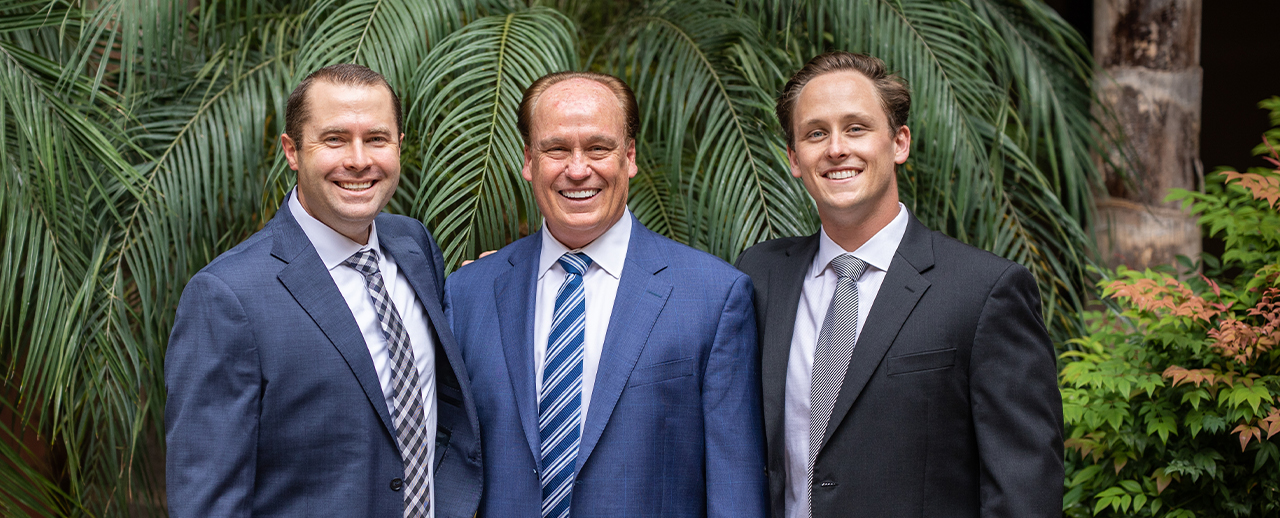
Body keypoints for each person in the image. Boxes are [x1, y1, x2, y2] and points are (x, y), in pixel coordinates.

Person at [735, 51, 1064, 517]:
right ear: (794, 158)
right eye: (815, 133)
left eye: (856, 128)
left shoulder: (985, 291)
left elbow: (1024, 490)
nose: (835, 148)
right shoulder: (760, 276)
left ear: (899, 143)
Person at [164, 63, 482, 517]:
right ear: (292, 151)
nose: (358, 160)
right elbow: (208, 502)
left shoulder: (415, 246)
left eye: (376, 138)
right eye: (334, 139)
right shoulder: (226, 297)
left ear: (398, 147)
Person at [444, 71, 767, 517]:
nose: (578, 169)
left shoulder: (714, 296)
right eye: (556, 149)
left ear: (629, 156)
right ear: (528, 160)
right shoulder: (467, 294)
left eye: (599, 148)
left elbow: (735, 488)